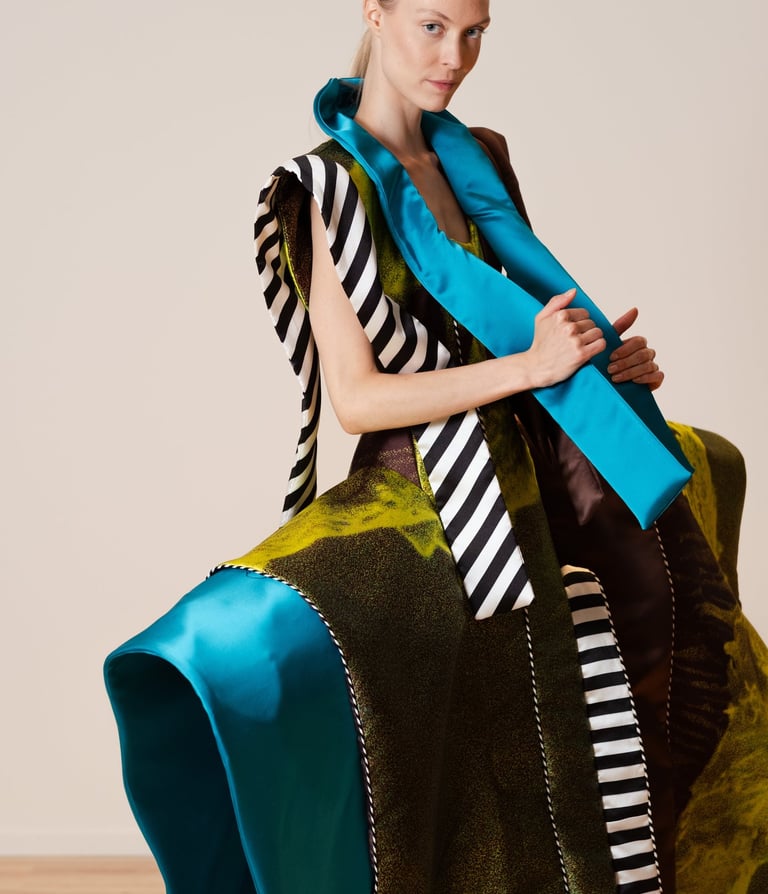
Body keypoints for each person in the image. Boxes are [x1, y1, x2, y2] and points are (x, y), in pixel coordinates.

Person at [105, 1, 768, 892]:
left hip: (531, 446)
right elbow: (357, 400)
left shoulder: (478, 157)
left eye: (475, 31)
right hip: (426, 471)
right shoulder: (327, 187)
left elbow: (517, 324)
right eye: (432, 25)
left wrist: (599, 363)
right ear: (375, 14)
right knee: (354, 675)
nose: (455, 54)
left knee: (663, 589)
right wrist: (533, 367)